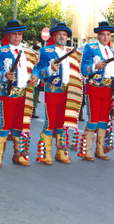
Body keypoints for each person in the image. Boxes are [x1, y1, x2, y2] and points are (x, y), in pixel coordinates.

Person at [0, 20, 39, 168]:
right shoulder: (0, 51)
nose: (17, 36)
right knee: (5, 124)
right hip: (8, 93)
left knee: (20, 125)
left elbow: (34, 69)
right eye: (14, 34)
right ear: (8, 36)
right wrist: (4, 75)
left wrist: (36, 77)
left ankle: (19, 154)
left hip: (26, 94)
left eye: (19, 34)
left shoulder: (29, 53)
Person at [36, 23, 83, 165]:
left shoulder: (75, 53)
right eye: (59, 34)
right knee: (50, 122)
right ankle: (45, 154)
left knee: (63, 123)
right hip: (53, 90)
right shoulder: (45, 51)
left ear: (67, 37)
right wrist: (49, 69)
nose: (62, 37)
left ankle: (61, 152)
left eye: (64, 34)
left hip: (69, 92)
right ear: (54, 36)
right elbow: (39, 70)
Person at [80, 21, 114, 161]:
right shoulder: (90, 48)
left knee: (103, 120)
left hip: (107, 89)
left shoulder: (113, 51)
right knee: (93, 119)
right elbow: (84, 69)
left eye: (108, 34)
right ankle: (87, 150)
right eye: (102, 34)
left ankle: (99, 149)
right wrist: (95, 66)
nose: (105, 37)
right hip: (94, 87)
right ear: (98, 36)